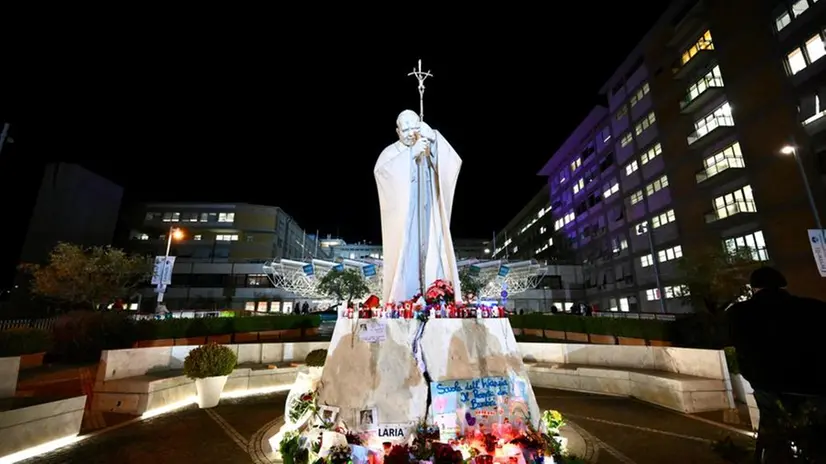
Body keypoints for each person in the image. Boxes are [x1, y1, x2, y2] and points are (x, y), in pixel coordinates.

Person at [726, 267, 825, 461]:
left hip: (767, 383)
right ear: (783, 285)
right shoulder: (815, 307)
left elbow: (734, 342)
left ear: (754, 288)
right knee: (820, 434)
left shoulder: (739, 312)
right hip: (815, 383)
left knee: (772, 431)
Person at [374, 110, 463, 304]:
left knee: (434, 251)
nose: (409, 133)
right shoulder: (390, 153)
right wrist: (410, 157)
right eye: (404, 129)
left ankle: (437, 292)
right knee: (407, 256)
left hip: (429, 214)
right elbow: (383, 175)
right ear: (397, 131)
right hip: (406, 217)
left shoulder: (425, 145)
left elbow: (452, 163)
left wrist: (433, 140)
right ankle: (404, 298)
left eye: (414, 128)